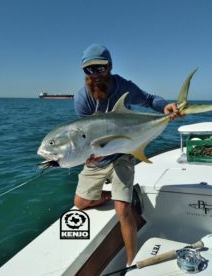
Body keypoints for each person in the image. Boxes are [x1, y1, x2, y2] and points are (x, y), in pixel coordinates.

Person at [74, 43, 179, 266]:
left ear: (109, 66)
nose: (94, 74)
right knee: (80, 202)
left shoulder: (123, 86)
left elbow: (150, 99)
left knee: (123, 209)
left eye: (99, 68)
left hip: (123, 152)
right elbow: (84, 139)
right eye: (88, 70)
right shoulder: (82, 98)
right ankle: (116, 195)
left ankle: (131, 263)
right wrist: (90, 157)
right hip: (99, 157)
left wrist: (165, 109)